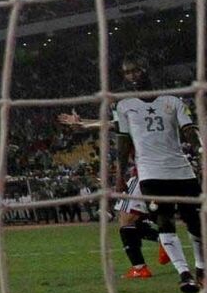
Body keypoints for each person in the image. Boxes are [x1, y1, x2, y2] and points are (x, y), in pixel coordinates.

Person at [114, 53, 207, 293]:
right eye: (127, 72)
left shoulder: (173, 101)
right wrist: (119, 175)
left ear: (146, 69)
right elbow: (123, 143)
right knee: (165, 222)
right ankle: (184, 275)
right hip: (151, 174)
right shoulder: (123, 106)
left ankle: (202, 272)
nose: (132, 76)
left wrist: (202, 152)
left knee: (196, 223)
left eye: (135, 70)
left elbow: (189, 130)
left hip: (182, 171)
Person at [57, 110, 173, 277]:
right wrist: (83, 121)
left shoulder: (131, 118)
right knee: (134, 220)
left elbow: (111, 125)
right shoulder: (150, 119)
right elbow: (112, 124)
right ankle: (162, 242)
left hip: (144, 175)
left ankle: (141, 266)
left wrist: (83, 125)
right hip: (164, 174)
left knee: (125, 221)